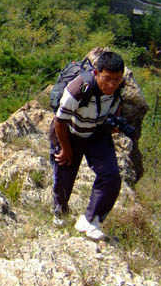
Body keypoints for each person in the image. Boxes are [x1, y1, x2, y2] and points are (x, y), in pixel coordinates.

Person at [50, 51, 125, 241]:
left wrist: (113, 124)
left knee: (111, 176)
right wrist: (66, 149)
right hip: (69, 132)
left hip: (96, 133)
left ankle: (91, 220)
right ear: (97, 73)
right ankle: (60, 213)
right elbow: (60, 120)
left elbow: (115, 109)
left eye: (116, 80)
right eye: (107, 78)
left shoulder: (118, 89)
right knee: (64, 176)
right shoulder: (79, 87)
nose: (112, 84)